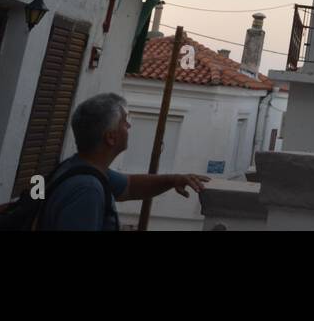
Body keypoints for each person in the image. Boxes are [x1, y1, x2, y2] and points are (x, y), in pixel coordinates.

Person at [38, 92, 209, 231]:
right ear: (111, 138)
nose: (129, 126)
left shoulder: (82, 168)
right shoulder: (87, 189)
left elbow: (131, 186)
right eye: (124, 122)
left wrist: (174, 179)